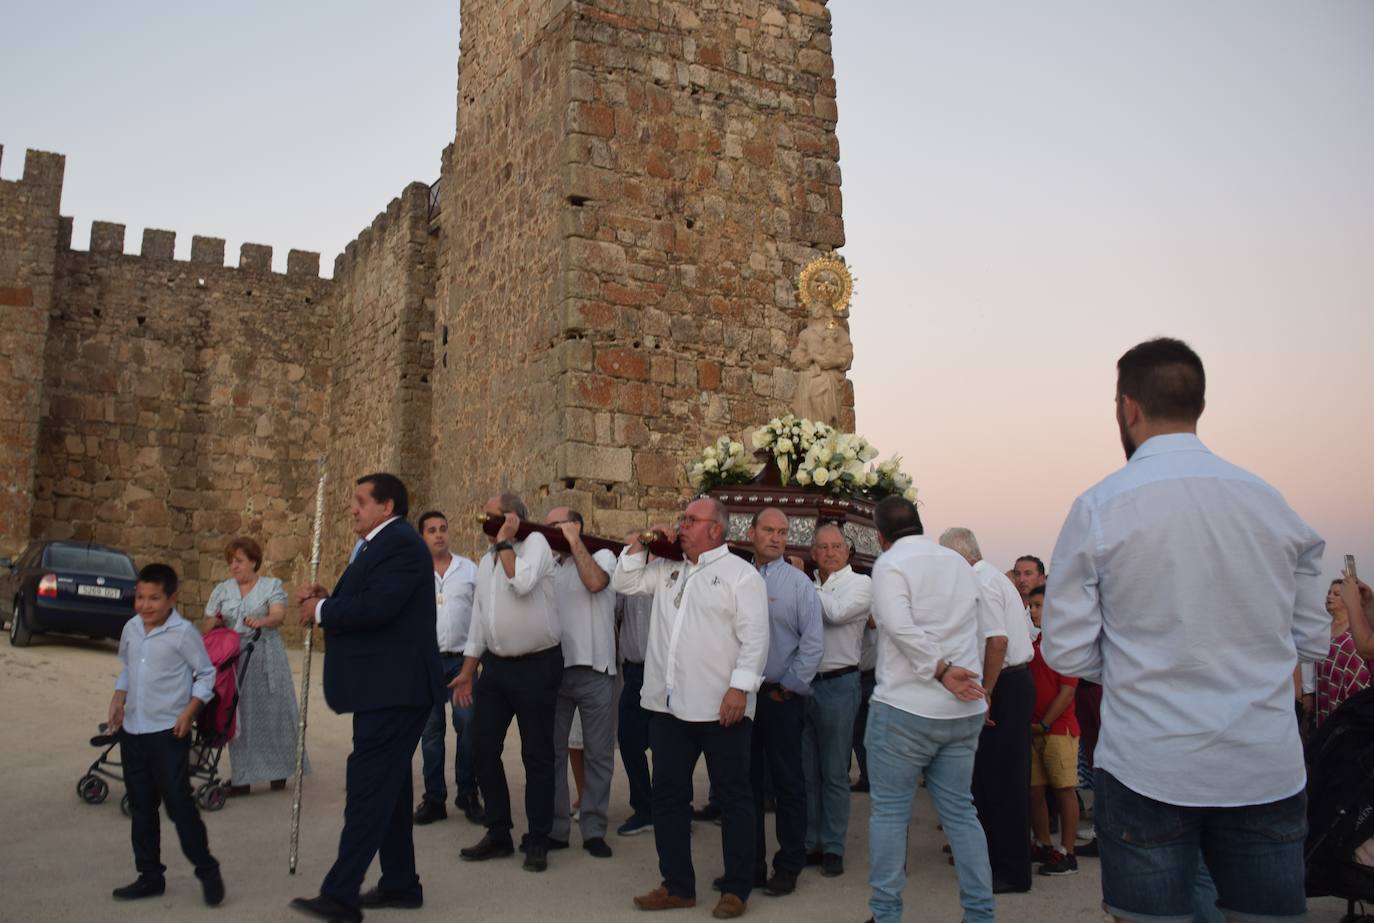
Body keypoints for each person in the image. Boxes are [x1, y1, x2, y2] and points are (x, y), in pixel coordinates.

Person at [1043, 337, 1328, 923]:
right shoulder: (1269, 502)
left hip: (1150, 759)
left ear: (1128, 408)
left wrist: (1137, 663)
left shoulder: (1102, 506)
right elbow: (1310, 638)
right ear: (1198, 402)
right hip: (1261, 759)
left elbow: (1068, 647)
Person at [291, 473, 444, 923]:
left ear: (387, 504)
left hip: (398, 689)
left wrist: (320, 611)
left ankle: (341, 893)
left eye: (360, 501)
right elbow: (368, 598)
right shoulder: (380, 545)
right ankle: (400, 883)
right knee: (390, 788)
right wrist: (329, 599)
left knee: (367, 787)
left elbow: (379, 607)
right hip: (385, 689)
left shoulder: (399, 543)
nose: (352, 508)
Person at [612, 497, 769, 920]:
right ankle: (677, 885)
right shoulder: (667, 566)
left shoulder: (741, 575)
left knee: (735, 799)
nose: (681, 525)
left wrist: (740, 689)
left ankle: (737, 888)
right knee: (668, 798)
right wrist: (644, 544)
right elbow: (624, 582)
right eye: (682, 518)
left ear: (715, 529)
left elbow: (755, 638)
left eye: (690, 520)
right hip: (668, 709)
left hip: (723, 709)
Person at [865, 496, 993, 923]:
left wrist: (940, 670)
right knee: (961, 813)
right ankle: (980, 914)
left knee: (889, 815)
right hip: (962, 710)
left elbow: (898, 624)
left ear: (880, 535)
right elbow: (982, 626)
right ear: (919, 523)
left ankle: (886, 915)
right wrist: (972, 677)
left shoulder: (890, 564)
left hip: (906, 707)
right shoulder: (957, 562)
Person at [449, 493, 563, 873]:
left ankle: (538, 838)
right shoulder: (486, 561)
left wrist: (504, 543)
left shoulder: (537, 545)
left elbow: (523, 583)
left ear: (512, 518)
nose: (485, 523)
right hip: (495, 670)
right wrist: (468, 670)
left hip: (537, 666)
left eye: (491, 517)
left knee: (537, 755)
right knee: (481, 748)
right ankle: (498, 831)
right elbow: (481, 621)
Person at [107, 562, 224, 907]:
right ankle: (149, 876)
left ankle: (206, 868)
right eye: (140, 597)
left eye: (154, 599)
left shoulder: (184, 633)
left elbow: (205, 675)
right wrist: (118, 695)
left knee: (178, 805)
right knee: (142, 807)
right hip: (134, 731)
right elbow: (128, 667)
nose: (145, 605)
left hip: (168, 733)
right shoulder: (131, 628)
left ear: (172, 598)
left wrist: (190, 712)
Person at [940, 526, 1036, 893]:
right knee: (991, 780)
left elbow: (997, 641)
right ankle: (995, 861)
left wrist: (987, 692)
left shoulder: (980, 581)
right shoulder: (992, 576)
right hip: (1007, 681)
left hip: (1005, 683)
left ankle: (1011, 870)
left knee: (1004, 783)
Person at [746, 508, 823, 897]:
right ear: (751, 532)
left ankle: (789, 865)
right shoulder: (737, 577)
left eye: (783, 532)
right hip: (742, 697)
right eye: (769, 530)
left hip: (780, 697)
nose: (777, 538)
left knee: (789, 784)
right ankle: (750, 866)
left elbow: (812, 642)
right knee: (746, 785)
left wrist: (789, 687)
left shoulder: (798, 584)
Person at [204, 536, 308, 796]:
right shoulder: (222, 589)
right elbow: (206, 623)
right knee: (237, 716)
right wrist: (215, 623)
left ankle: (279, 770)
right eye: (231, 562)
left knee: (275, 714)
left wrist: (261, 621)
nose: (234, 566)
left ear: (253, 562)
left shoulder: (271, 585)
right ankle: (242, 778)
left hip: (265, 656)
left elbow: (278, 614)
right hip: (234, 660)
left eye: (239, 561)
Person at [546, 506, 618, 858]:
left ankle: (593, 830)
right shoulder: (549, 566)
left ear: (574, 525)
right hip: (556, 672)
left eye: (556, 525)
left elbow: (595, 583)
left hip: (596, 669)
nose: (550, 532)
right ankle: (558, 828)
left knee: (599, 755)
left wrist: (574, 542)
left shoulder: (602, 555)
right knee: (554, 753)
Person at [801, 523, 870, 878]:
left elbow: (837, 612)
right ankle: (810, 841)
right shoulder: (808, 583)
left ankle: (833, 846)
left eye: (836, 546)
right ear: (812, 552)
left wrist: (799, 586)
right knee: (807, 772)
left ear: (847, 551)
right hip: (804, 686)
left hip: (839, 685)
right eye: (822, 547)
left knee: (833, 771)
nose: (829, 552)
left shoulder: (860, 584)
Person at [412, 511, 481, 826]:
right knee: (430, 732)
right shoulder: (412, 572)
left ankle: (467, 791)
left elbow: (481, 615)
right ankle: (434, 798)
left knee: (467, 726)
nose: (438, 535)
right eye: (431, 530)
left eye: (443, 529)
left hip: (461, 662)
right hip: (424, 663)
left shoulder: (468, 569)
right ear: (421, 536)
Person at [1026, 585, 1080, 876]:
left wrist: (1045, 722)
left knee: (1064, 790)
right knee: (1035, 791)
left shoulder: (1065, 645)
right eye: (1031, 606)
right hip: (1034, 730)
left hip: (1058, 729)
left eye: (1039, 605)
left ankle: (1067, 851)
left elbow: (1067, 692)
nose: (1032, 610)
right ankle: (1044, 842)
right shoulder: (1036, 645)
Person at [616, 592, 656, 836]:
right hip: (633, 670)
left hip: (665, 671)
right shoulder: (625, 569)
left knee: (669, 745)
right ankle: (644, 808)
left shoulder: (671, 567)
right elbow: (613, 610)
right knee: (629, 739)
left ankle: (673, 808)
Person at [1315, 576, 1373, 727]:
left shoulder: (1355, 630)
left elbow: (1366, 649)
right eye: (1329, 592)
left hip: (1355, 696)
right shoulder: (1323, 630)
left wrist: (1355, 603)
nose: (1329, 596)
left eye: (1337, 594)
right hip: (1328, 691)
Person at [850, 616, 877, 793]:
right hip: (855, 675)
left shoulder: (867, 599)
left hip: (872, 676)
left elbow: (873, 623)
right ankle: (867, 777)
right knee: (857, 732)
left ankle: (873, 778)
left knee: (872, 732)